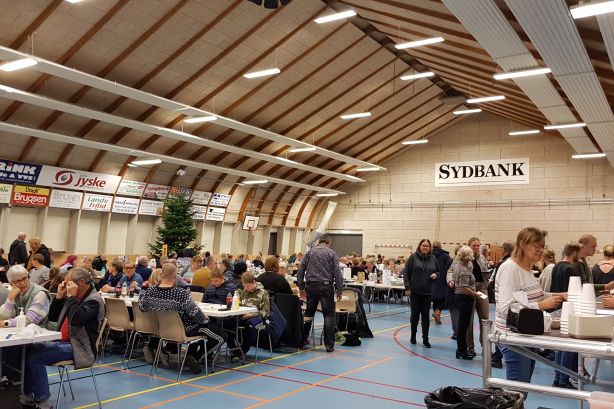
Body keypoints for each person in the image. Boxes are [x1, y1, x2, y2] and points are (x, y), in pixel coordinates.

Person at [21, 267, 104, 409]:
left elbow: (76, 319)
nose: (66, 286)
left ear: (81, 282)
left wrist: (71, 297)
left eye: (68, 283)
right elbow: (53, 317)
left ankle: (44, 402)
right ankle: (27, 395)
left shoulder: (94, 301)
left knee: (36, 356)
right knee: (28, 349)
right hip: (62, 341)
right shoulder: (74, 297)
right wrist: (59, 297)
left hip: (81, 348)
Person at [495, 227, 564, 384]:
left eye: (543, 246)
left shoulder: (528, 268)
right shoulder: (510, 269)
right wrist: (541, 305)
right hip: (512, 337)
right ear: (522, 244)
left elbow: (532, 296)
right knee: (517, 390)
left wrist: (557, 295)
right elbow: (505, 308)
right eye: (536, 246)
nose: (540, 250)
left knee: (522, 388)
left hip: (526, 334)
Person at [139, 263, 226, 373]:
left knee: (207, 330)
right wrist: (207, 319)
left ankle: (180, 352)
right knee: (221, 336)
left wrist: (143, 289)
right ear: (175, 277)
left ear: (161, 275)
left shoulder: (150, 291)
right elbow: (197, 315)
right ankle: (194, 357)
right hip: (186, 329)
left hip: (162, 330)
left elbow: (142, 307)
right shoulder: (180, 294)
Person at [297, 234, 343, 352]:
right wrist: (339, 290)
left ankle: (302, 340)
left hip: (311, 286)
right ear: (329, 243)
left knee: (308, 314)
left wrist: (301, 287)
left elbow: (300, 270)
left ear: (319, 241)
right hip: (326, 286)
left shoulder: (309, 253)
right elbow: (338, 273)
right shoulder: (332, 253)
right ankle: (329, 346)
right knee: (328, 316)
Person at [549, 242, 582, 389]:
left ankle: (557, 379)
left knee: (559, 347)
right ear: (574, 253)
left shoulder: (556, 266)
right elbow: (573, 292)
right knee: (567, 347)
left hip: (557, 308)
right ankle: (563, 380)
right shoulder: (571, 269)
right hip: (568, 309)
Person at [226, 272, 270, 362]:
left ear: (254, 282)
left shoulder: (263, 293)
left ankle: (242, 350)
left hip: (257, 317)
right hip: (242, 316)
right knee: (227, 323)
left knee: (251, 325)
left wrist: (251, 315)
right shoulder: (244, 292)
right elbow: (238, 305)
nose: (246, 288)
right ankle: (234, 350)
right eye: (244, 286)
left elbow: (266, 312)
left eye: (248, 286)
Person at [404, 239, 439, 348]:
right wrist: (407, 287)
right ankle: (413, 335)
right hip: (415, 292)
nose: (425, 247)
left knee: (425, 316)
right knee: (414, 315)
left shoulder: (433, 258)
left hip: (427, 292)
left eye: (427, 246)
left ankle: (425, 339)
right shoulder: (413, 257)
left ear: (430, 248)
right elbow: (406, 272)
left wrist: (436, 275)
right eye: (423, 245)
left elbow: (438, 271)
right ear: (419, 246)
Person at [488, 240, 514, 368]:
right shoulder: (511, 263)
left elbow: (496, 282)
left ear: (504, 250)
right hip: (508, 301)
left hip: (503, 302)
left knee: (500, 328)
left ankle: (497, 357)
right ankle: (497, 356)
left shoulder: (504, 264)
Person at [451, 246, 478, 360]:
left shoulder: (459, 265)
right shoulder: (463, 269)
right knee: (463, 326)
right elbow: (464, 288)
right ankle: (461, 351)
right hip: (464, 298)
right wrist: (476, 294)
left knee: (463, 325)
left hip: (461, 297)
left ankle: (461, 350)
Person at [466, 237, 490, 356]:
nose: (476, 247)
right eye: (474, 245)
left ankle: (485, 345)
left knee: (485, 318)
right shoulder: (464, 258)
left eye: (478, 245)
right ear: (469, 246)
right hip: (469, 289)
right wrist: (451, 281)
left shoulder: (482, 258)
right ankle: (470, 346)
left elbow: (486, 272)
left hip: (482, 289)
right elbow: (451, 271)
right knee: (469, 319)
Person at [431, 241, 452, 325]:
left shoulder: (430, 255)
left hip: (433, 279)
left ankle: (437, 316)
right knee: (443, 298)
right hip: (443, 279)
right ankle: (437, 312)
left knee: (435, 299)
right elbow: (450, 268)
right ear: (440, 247)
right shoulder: (445, 256)